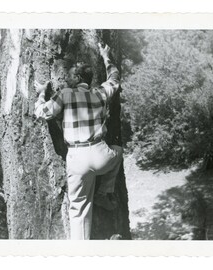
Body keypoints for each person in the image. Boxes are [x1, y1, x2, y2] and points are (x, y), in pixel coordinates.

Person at [34, 43, 123, 240]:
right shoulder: (100, 92)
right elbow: (115, 78)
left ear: (78, 78)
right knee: (118, 150)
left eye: (71, 74)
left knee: (79, 210)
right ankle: (104, 191)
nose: (66, 77)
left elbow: (41, 113)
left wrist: (41, 93)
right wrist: (106, 56)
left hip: (77, 158)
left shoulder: (65, 94)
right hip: (102, 156)